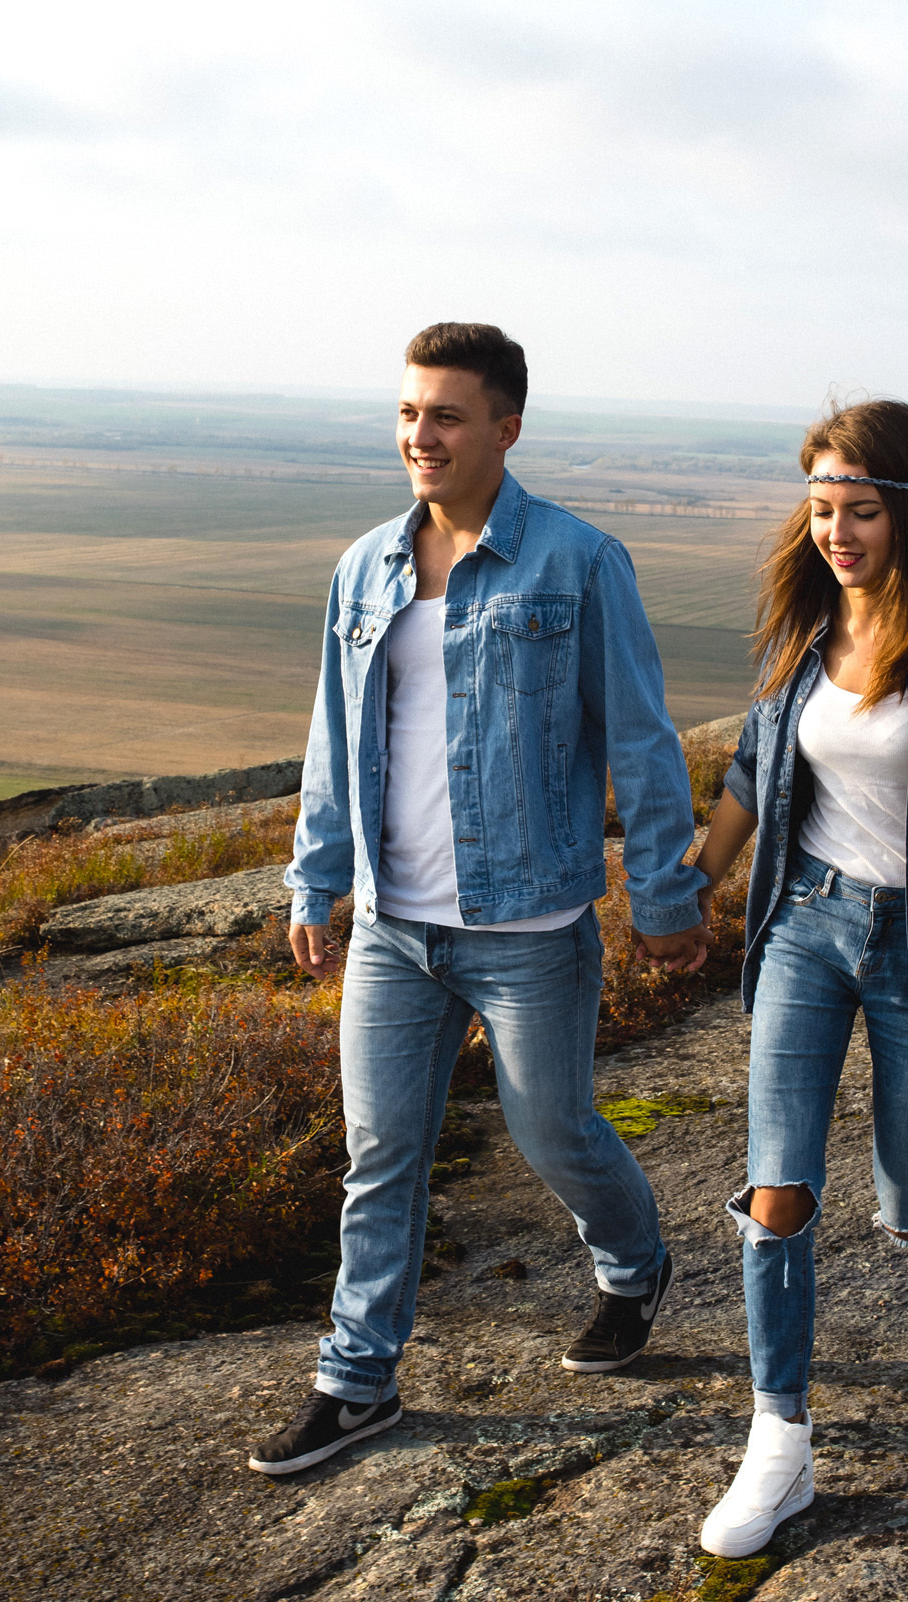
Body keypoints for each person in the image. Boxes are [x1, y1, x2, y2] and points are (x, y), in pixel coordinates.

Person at [248, 323, 711, 1477]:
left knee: (551, 1128)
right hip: (395, 931)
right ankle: (357, 1382)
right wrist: (319, 876)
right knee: (381, 1154)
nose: (421, 436)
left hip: (531, 930)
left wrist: (664, 892)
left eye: (446, 416)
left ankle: (632, 1262)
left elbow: (645, 743)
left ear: (505, 427)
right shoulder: (365, 567)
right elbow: (331, 737)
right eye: (409, 414)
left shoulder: (579, 562)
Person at [683, 399, 908, 1557]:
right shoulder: (801, 625)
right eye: (823, 507)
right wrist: (695, 885)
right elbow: (754, 773)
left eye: (862, 510)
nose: (837, 531)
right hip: (803, 924)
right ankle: (779, 1442)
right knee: (778, 1190)